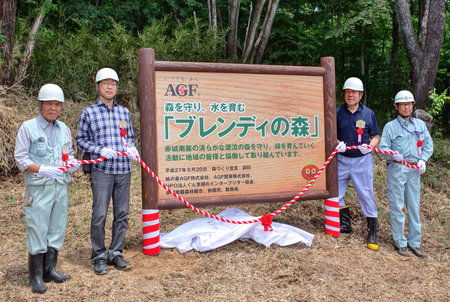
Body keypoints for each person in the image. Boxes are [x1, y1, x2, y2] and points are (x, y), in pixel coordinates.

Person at [14, 84, 81, 294]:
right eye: (49, 103)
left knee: (56, 227)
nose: (53, 108)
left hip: (60, 185)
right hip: (39, 188)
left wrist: (72, 161)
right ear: (40, 105)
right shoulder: (28, 127)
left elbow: (67, 153)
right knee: (37, 228)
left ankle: (50, 269)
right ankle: (35, 275)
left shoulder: (64, 129)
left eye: (57, 104)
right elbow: (21, 158)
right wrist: (41, 169)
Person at [76, 68, 139, 275]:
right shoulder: (88, 112)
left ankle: (116, 252)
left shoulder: (124, 112)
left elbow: (128, 136)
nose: (110, 86)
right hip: (101, 170)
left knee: (122, 213)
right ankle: (99, 255)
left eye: (113, 83)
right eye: (105, 83)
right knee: (100, 214)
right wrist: (99, 150)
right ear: (97, 87)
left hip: (123, 169)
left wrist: (131, 147)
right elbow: (81, 140)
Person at [379, 90, 433, 258]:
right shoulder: (390, 126)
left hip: (414, 170)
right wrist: (391, 154)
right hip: (397, 169)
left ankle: (415, 242)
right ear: (397, 107)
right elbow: (382, 148)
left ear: (412, 105)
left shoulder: (420, 125)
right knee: (396, 206)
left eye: (409, 104)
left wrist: (423, 159)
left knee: (414, 206)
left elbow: (428, 145)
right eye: (403, 104)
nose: (406, 107)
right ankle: (400, 242)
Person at [336, 77, 380, 250]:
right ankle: (344, 224)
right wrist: (337, 142)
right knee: (334, 193)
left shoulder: (368, 114)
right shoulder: (337, 112)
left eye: (354, 92)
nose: (350, 95)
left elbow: (376, 136)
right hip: (342, 159)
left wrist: (369, 147)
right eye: (347, 92)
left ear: (360, 94)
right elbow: (330, 132)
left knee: (365, 195)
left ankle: (372, 231)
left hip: (362, 160)